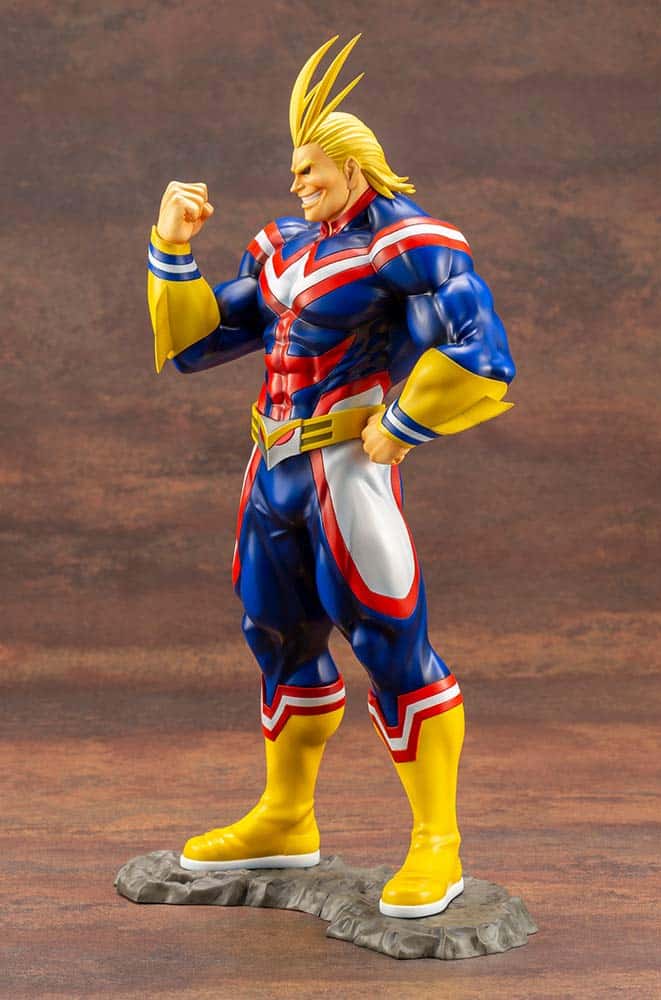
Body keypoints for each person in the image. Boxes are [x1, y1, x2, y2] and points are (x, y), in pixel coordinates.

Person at [146, 35, 515, 919]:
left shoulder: (408, 245)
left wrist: (403, 424)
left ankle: (437, 842)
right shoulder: (282, 246)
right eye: (292, 171)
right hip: (271, 465)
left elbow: (482, 349)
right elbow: (199, 345)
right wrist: (171, 249)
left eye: (308, 169)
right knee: (274, 636)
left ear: (352, 165)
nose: (295, 185)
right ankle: (285, 817)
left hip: (346, 466)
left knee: (388, 642)